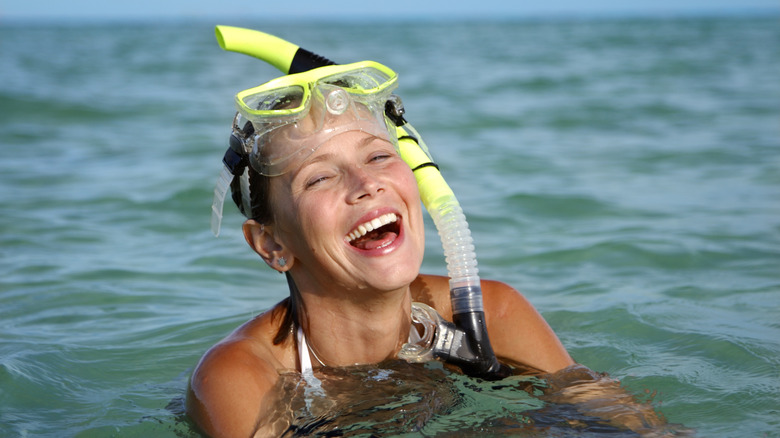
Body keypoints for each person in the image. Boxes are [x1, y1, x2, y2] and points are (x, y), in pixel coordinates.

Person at [186, 60, 576, 438]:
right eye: (319, 177)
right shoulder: (240, 377)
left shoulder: (492, 315)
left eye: (379, 156)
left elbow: (620, 423)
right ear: (272, 245)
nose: (367, 183)